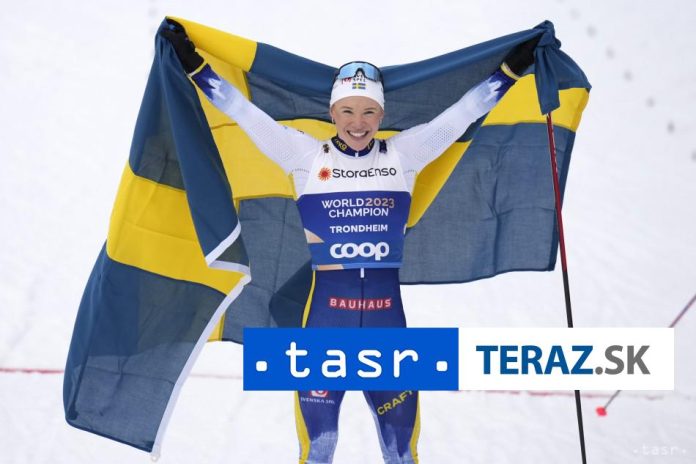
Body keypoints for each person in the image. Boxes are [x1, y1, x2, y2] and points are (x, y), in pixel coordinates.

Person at [163, 20, 536, 464]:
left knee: (403, 451)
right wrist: (195, 66)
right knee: (317, 451)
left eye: (368, 112)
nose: (358, 123)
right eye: (347, 111)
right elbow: (244, 113)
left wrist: (510, 72)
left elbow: (462, 115)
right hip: (325, 330)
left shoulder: (404, 154)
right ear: (332, 112)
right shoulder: (303, 156)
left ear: (381, 115)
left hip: (388, 330)